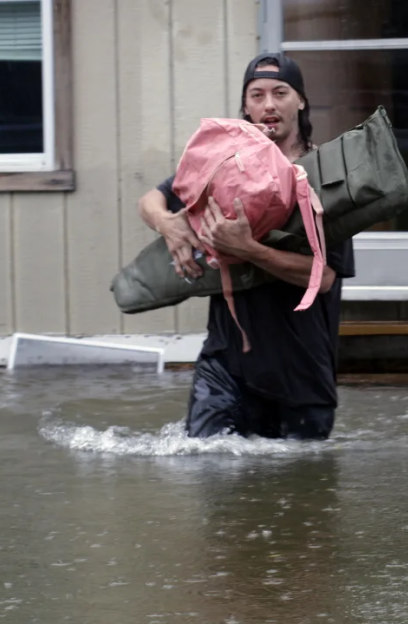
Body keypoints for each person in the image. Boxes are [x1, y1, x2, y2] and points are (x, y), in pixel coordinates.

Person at [136, 53, 355, 441]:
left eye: (280, 93)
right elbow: (151, 199)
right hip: (225, 364)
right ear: (246, 106)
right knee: (205, 469)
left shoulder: (327, 179)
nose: (268, 104)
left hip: (300, 373)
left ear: (301, 101)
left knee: (301, 490)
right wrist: (168, 225)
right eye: (257, 95)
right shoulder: (223, 166)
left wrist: (249, 249)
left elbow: (322, 279)